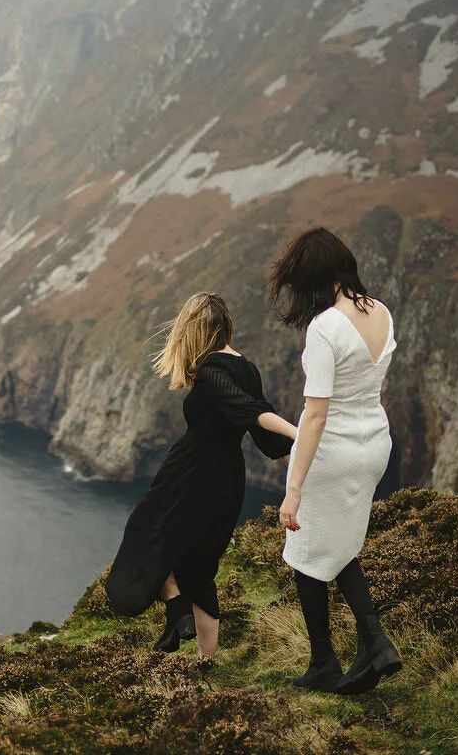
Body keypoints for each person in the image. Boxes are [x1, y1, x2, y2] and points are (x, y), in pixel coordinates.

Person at [105, 292, 298, 664]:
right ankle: (206, 662)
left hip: (190, 474)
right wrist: (301, 465)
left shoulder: (210, 372)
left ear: (193, 331)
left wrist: (301, 435)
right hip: (228, 480)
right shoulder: (247, 368)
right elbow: (262, 434)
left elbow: (253, 413)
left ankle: (177, 609)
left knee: (145, 533)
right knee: (199, 566)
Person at [268, 227, 402, 694]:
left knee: (306, 553)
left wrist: (294, 488)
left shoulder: (325, 327)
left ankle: (326, 660)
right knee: (339, 545)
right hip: (375, 443)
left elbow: (317, 412)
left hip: (336, 448)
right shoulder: (380, 312)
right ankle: (374, 644)